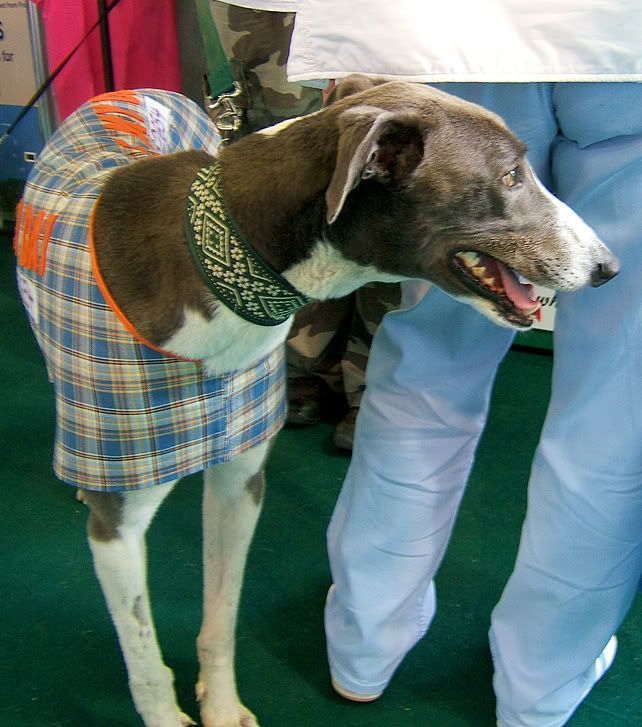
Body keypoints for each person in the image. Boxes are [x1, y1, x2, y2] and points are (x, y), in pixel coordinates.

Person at [282, 2, 642, 725]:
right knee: (615, 398)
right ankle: (539, 685)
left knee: (429, 359)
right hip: (626, 48)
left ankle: (365, 637)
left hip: (465, 35)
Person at [206, 0, 401, 449]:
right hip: (273, 11)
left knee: (390, 160)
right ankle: (302, 360)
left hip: (399, 19)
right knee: (291, 161)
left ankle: (377, 378)